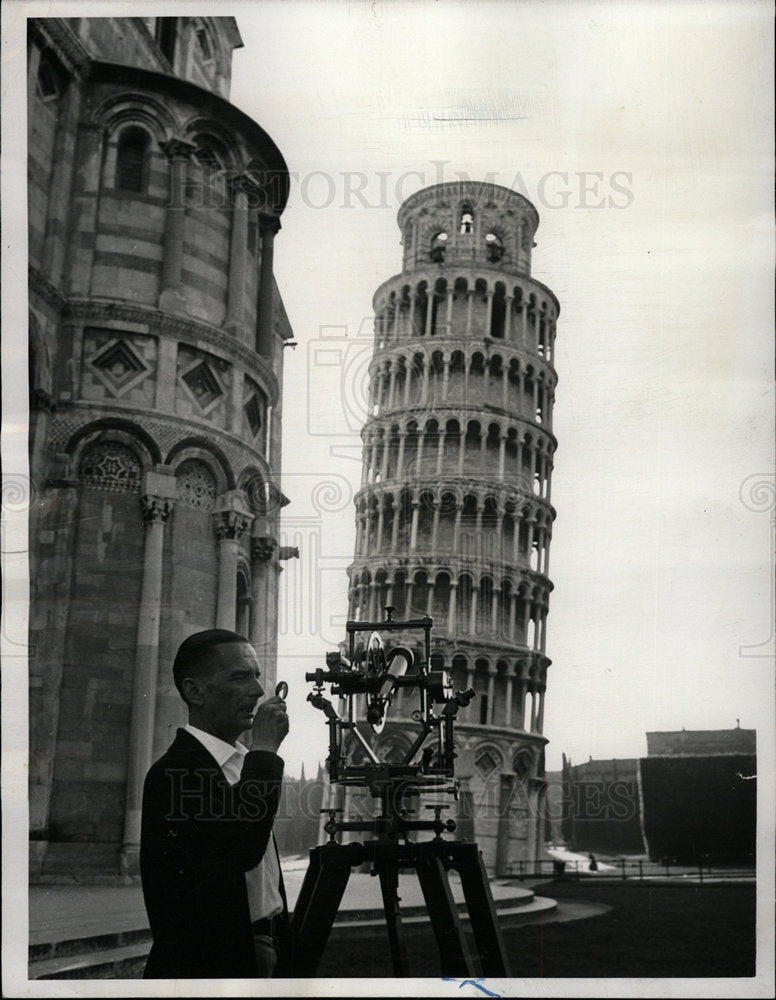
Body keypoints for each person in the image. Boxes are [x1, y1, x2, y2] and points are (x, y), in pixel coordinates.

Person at [140, 629, 290, 978]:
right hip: (213, 966)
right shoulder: (174, 772)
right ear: (195, 691)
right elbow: (240, 846)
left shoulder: (240, 765)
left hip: (260, 947)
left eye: (256, 675)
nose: (257, 690)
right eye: (240, 677)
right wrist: (265, 749)